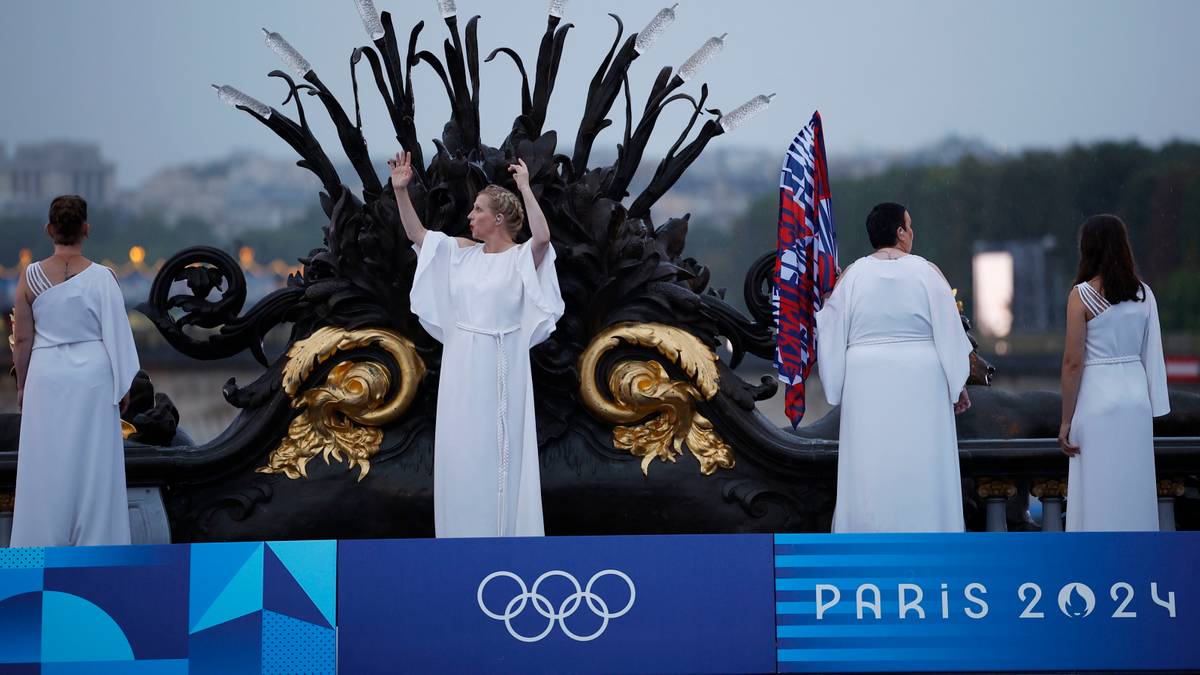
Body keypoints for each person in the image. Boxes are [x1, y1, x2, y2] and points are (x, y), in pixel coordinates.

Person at [390, 151, 565, 537]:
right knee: (463, 450)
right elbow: (418, 237)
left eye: (478, 209)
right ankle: (461, 536)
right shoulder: (462, 253)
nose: (470, 215)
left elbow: (543, 237)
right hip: (463, 362)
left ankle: (506, 535)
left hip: (504, 361)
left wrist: (523, 186)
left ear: (498, 219)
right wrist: (401, 192)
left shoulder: (521, 258)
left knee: (502, 452)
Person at [815, 203, 973, 532]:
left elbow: (830, 329)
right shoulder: (927, 272)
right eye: (909, 226)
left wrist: (836, 383)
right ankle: (929, 532)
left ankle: (870, 535)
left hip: (865, 378)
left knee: (870, 463)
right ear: (900, 232)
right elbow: (950, 329)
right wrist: (957, 383)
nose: (912, 232)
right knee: (923, 461)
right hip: (922, 377)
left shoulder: (853, 275)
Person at [10, 195, 140, 547]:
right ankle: (99, 548)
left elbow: (22, 339)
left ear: (49, 229)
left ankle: (39, 550)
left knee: (45, 466)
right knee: (94, 467)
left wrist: (22, 386)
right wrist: (122, 385)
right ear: (86, 229)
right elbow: (117, 333)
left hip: (46, 375)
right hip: (94, 380)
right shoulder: (103, 278)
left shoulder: (29, 277)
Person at [1059, 214, 1169, 531]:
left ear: (1087, 249)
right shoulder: (1145, 294)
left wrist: (1066, 420)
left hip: (1097, 400)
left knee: (1098, 489)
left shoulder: (1081, 296)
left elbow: (1073, 362)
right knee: (1133, 488)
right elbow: (1153, 354)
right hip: (1136, 402)